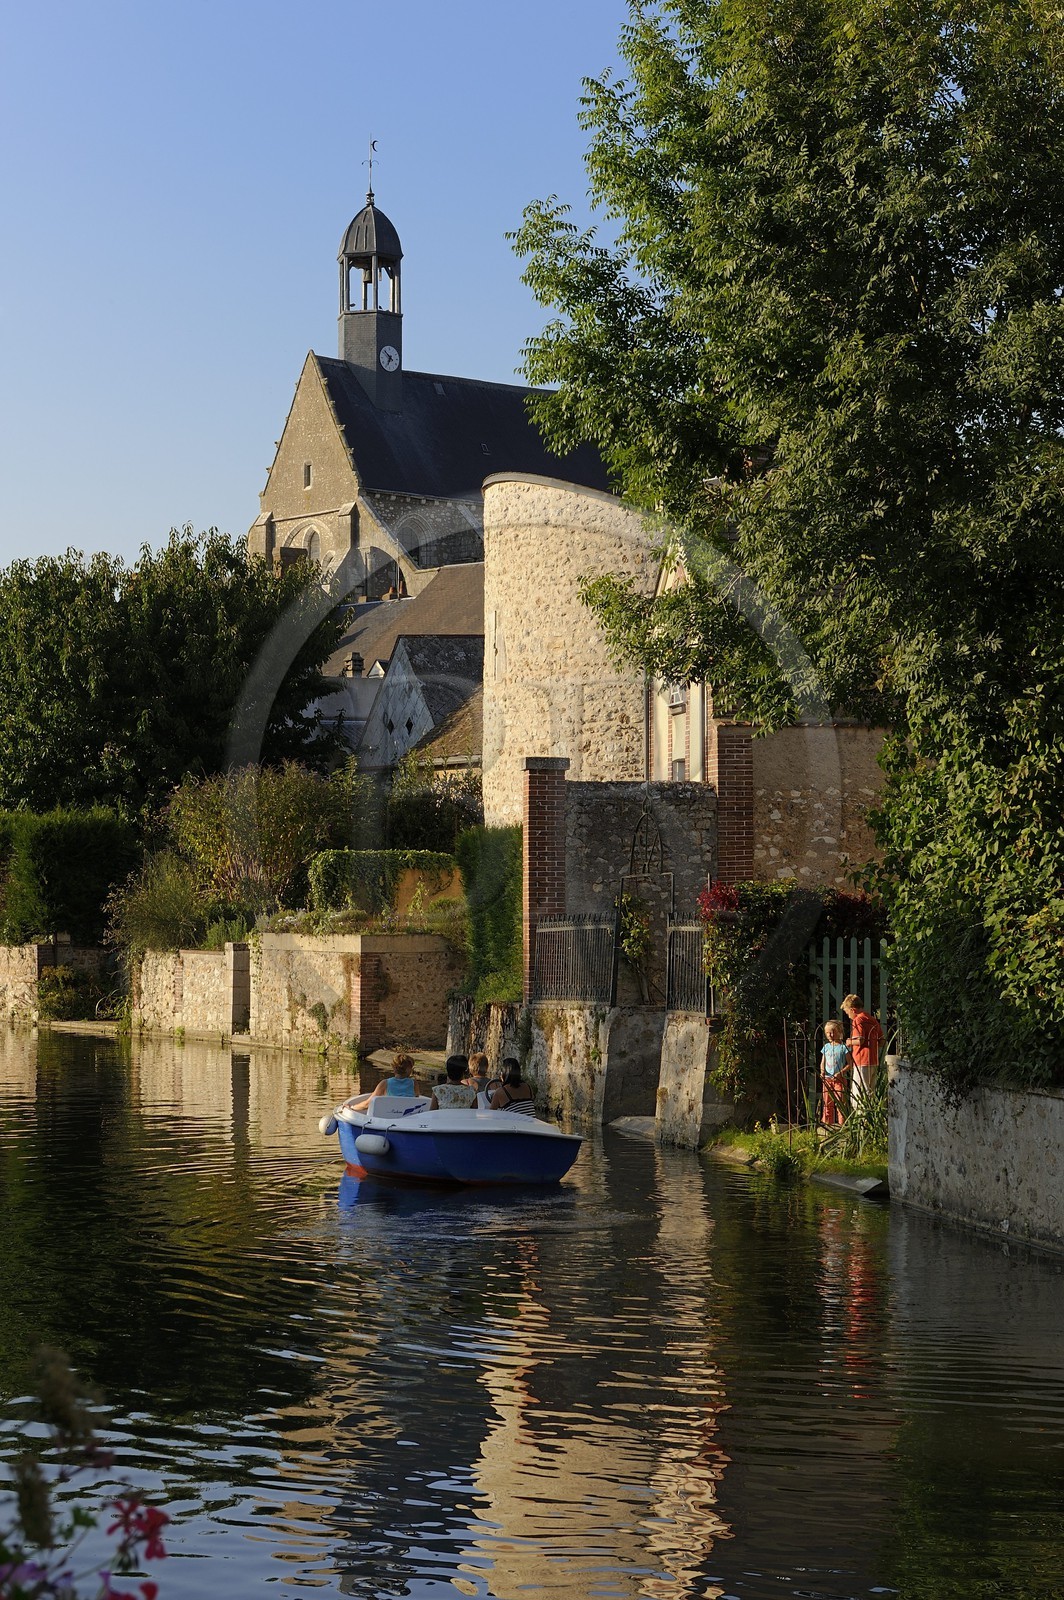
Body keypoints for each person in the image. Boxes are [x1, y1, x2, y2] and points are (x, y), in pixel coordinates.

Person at [841, 994, 884, 1103]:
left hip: (861, 1060)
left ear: (853, 1010)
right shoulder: (872, 1019)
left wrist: (849, 1042)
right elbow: (882, 1041)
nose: (848, 1016)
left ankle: (861, 1118)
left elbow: (860, 1040)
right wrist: (873, 1046)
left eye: (847, 1013)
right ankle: (870, 1117)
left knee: (858, 1093)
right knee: (870, 1092)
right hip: (873, 1060)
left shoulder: (858, 1020)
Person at [348, 1052, 418, 1110]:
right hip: (407, 1117)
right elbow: (417, 1100)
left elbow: (368, 1104)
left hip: (388, 1118)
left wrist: (352, 1107)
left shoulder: (385, 1083)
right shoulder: (414, 1083)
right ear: (409, 1069)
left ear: (394, 1068)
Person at [819, 1020, 851, 1127]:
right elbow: (823, 1062)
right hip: (827, 1079)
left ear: (839, 1032)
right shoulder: (826, 1047)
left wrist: (841, 1072)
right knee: (827, 1103)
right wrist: (822, 1071)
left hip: (839, 1079)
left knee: (840, 1102)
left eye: (832, 1032)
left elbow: (850, 1064)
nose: (830, 1035)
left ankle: (842, 1125)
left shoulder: (843, 1047)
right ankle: (827, 1125)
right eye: (827, 1033)